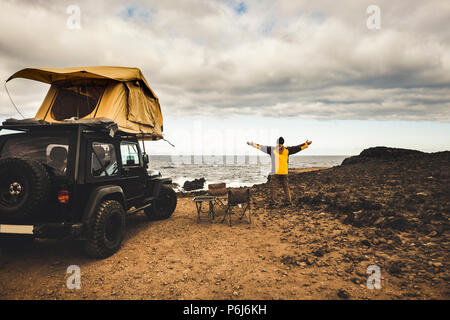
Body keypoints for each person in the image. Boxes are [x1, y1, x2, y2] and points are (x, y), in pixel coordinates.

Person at [247, 137, 312, 206]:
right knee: (286, 187)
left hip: (275, 172)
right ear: (283, 142)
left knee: (273, 187)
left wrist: (252, 144)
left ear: (277, 143)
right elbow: (297, 148)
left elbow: (261, 147)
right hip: (284, 172)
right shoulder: (287, 150)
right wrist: (306, 144)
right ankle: (288, 202)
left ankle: (273, 202)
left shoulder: (272, 150)